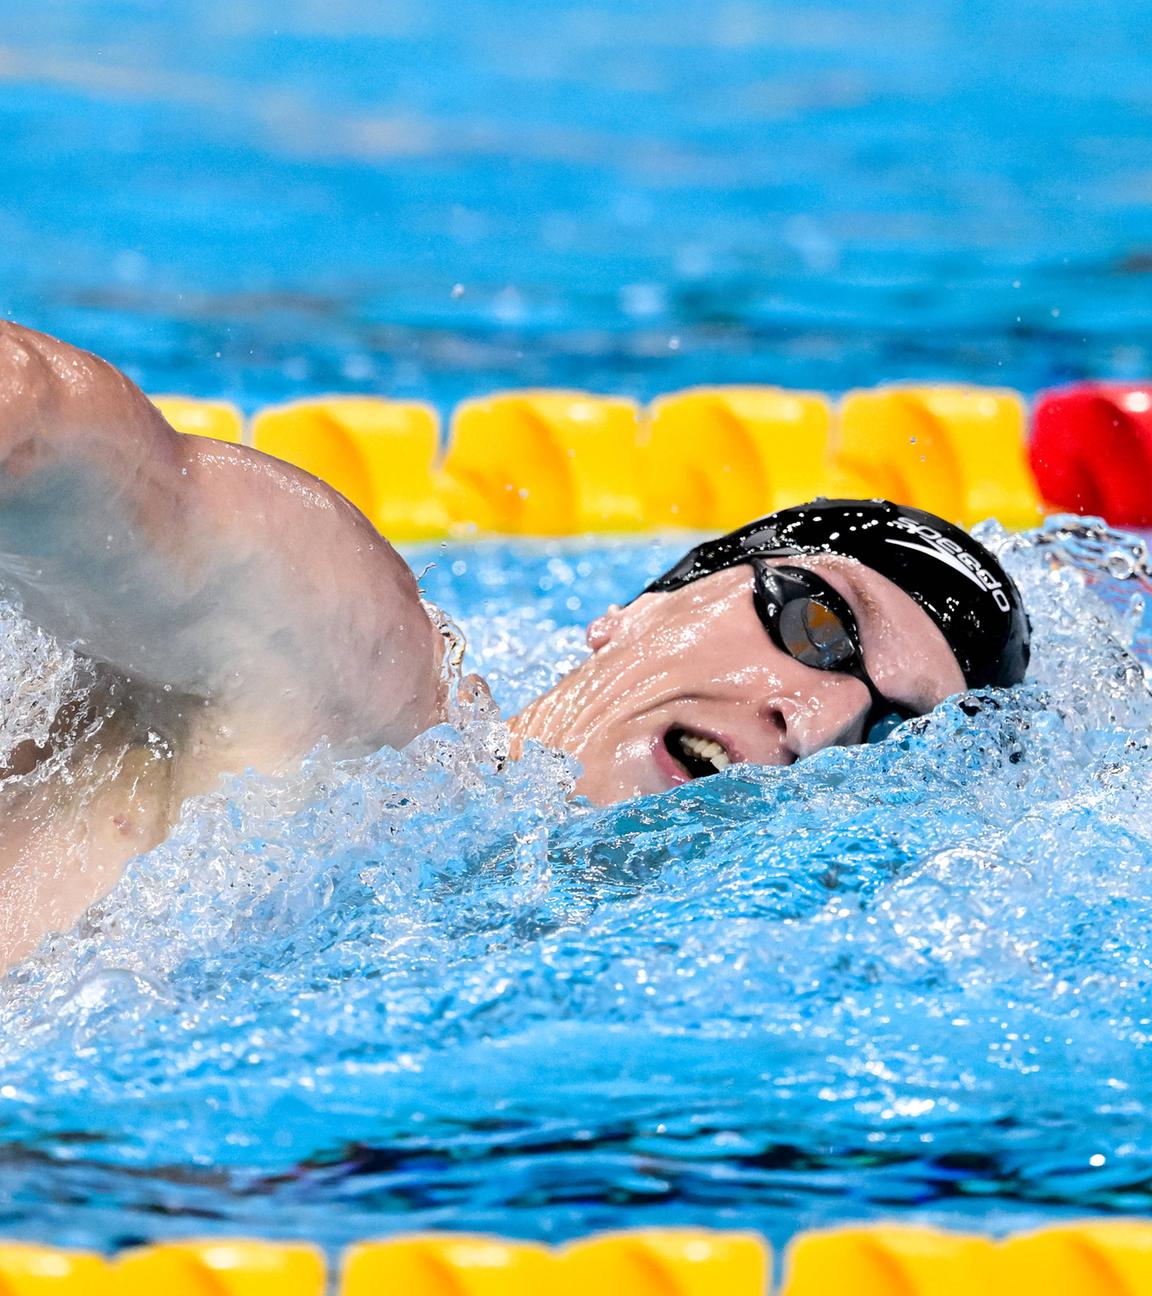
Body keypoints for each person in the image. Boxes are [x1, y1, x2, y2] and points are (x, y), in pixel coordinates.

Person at [0, 321, 1030, 964]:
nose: (818, 718)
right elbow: (45, 429)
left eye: (890, 736)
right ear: (643, 606)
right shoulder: (352, 687)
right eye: (819, 623)